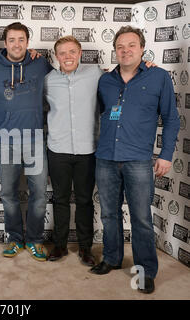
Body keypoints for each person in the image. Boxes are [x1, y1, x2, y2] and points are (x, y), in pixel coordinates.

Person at [90, 26, 180, 294]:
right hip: (105, 157)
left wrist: (165, 155)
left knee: (140, 217)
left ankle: (145, 271)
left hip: (139, 160)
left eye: (131, 45)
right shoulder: (105, 80)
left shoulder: (159, 77)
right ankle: (111, 258)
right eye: (120, 46)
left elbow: (172, 119)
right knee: (108, 213)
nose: (125, 50)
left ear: (142, 48)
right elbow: (101, 114)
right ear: (115, 50)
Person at [0, 22, 53, 261]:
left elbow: (64, 80)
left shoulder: (41, 64)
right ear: (5, 43)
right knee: (8, 194)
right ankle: (15, 239)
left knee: (39, 194)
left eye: (21, 39)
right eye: (12, 40)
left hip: (35, 138)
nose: (17, 44)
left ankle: (34, 240)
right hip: (6, 140)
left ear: (27, 42)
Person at [44, 36, 103, 266]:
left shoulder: (96, 74)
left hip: (87, 149)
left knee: (84, 200)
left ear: (80, 54)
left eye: (72, 52)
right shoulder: (48, 80)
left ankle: (85, 248)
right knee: (59, 199)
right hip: (58, 149)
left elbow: (122, 78)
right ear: (56, 56)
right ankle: (59, 245)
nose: (67, 56)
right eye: (62, 53)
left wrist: (147, 66)